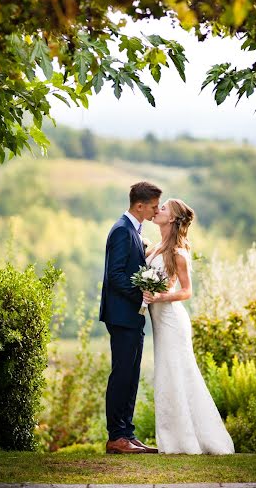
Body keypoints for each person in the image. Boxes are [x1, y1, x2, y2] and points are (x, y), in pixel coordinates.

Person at [143, 198, 235, 455]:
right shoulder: (158, 246)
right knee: (166, 376)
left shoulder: (178, 252)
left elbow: (186, 291)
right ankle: (172, 439)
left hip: (172, 321)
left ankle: (186, 441)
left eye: (162, 209)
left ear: (171, 219)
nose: (157, 209)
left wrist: (160, 296)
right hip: (160, 322)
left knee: (178, 374)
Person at [99, 180, 162, 454]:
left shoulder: (134, 231)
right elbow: (115, 277)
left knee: (131, 375)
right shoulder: (122, 231)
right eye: (153, 206)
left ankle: (128, 432)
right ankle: (116, 436)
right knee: (122, 374)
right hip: (122, 316)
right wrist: (142, 295)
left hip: (131, 317)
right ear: (139, 205)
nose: (155, 211)